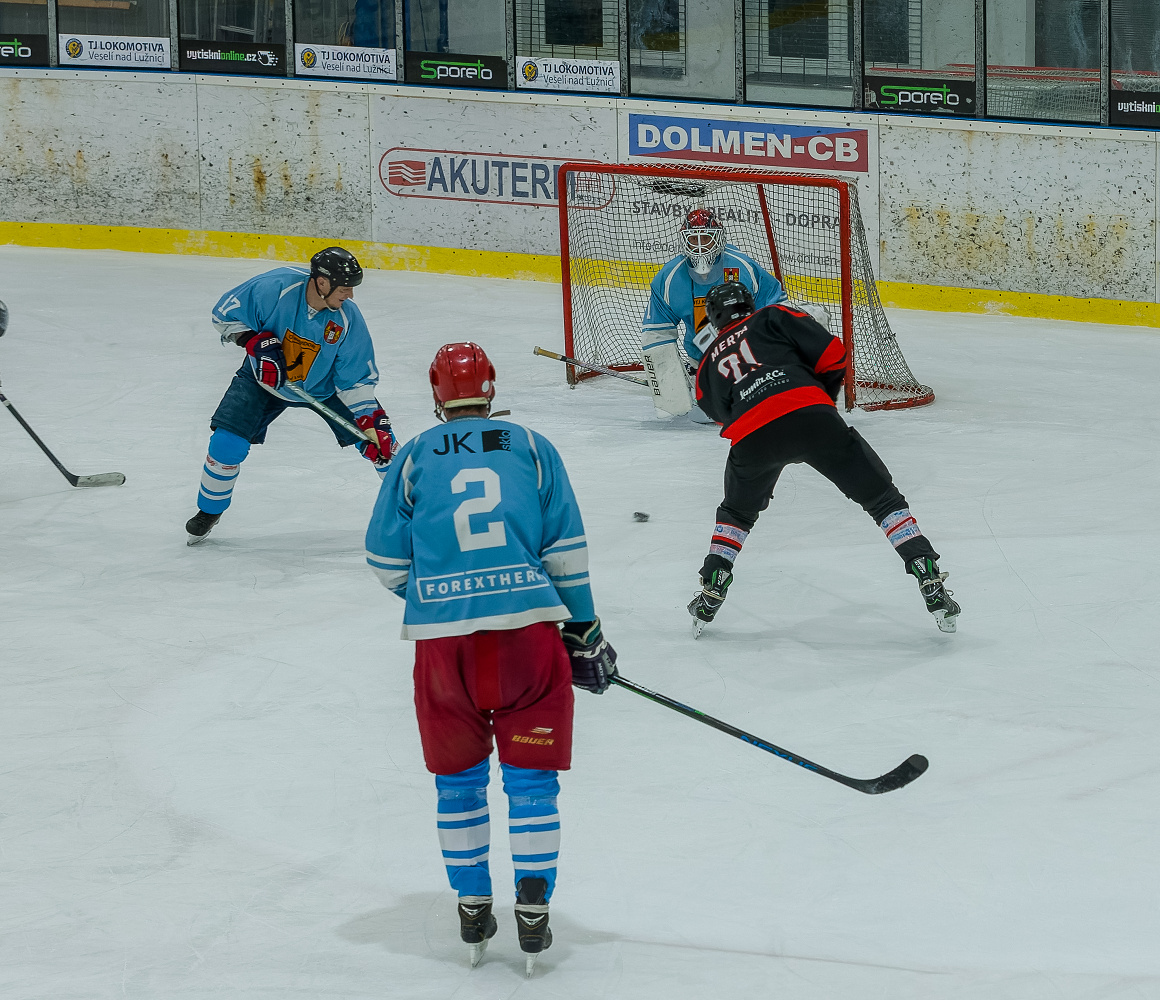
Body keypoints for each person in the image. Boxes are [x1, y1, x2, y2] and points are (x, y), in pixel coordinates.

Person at [364, 342, 617, 975]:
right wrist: (583, 629)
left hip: (442, 647)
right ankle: (533, 910)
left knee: (458, 782)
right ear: (491, 387)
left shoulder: (413, 456)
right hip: (527, 636)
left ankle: (473, 906)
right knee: (530, 782)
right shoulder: (531, 447)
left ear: (436, 393)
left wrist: (437, 595)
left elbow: (385, 561)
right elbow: (566, 550)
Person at [687, 282, 960, 636]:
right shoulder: (773, 316)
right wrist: (820, 401)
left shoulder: (709, 359)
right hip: (813, 417)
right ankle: (925, 569)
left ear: (714, 317)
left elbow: (717, 414)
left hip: (753, 439)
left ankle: (713, 583)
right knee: (883, 500)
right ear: (748, 303)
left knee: (736, 515)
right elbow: (834, 354)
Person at [186, 247, 396, 544]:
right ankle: (209, 511)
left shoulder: (348, 320)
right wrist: (252, 340)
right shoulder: (275, 287)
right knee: (226, 443)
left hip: (325, 387)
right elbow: (223, 314)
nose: (350, 295)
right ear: (322, 282)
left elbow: (355, 379)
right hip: (264, 380)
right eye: (345, 288)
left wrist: (370, 419)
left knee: (383, 444)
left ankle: (419, 511)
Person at [640, 208, 788, 420]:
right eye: (694, 239)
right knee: (704, 415)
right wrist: (668, 381)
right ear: (684, 241)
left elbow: (777, 309)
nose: (700, 246)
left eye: (706, 238)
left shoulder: (743, 267)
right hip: (700, 364)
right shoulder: (669, 278)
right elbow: (657, 332)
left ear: (718, 239)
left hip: (747, 360)